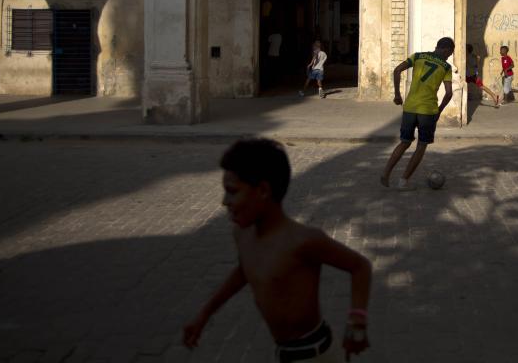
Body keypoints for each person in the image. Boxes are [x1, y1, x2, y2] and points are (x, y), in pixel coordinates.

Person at [183, 138, 372, 362]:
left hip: (318, 354)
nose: (225, 201)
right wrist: (204, 314)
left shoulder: (303, 241)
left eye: (232, 191)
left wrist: (357, 322)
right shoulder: (242, 235)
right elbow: (246, 269)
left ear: (263, 190)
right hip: (283, 354)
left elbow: (360, 266)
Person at [380, 37, 455, 190]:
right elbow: (448, 93)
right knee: (421, 146)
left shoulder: (418, 56)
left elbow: (397, 70)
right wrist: (439, 111)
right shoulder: (446, 67)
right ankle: (403, 181)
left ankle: (386, 173)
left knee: (404, 142)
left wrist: (397, 94)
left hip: (409, 108)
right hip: (428, 111)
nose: (449, 56)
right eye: (450, 53)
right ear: (446, 49)